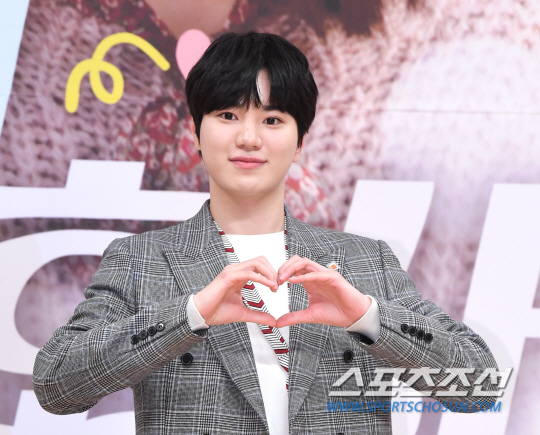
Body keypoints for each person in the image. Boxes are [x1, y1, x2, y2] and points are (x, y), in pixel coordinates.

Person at [33, 32, 498, 434]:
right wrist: (189, 315)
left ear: (300, 142)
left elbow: (479, 387)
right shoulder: (142, 260)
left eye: (272, 120)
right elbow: (56, 384)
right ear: (196, 133)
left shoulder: (364, 262)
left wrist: (367, 318)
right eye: (228, 116)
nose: (249, 138)